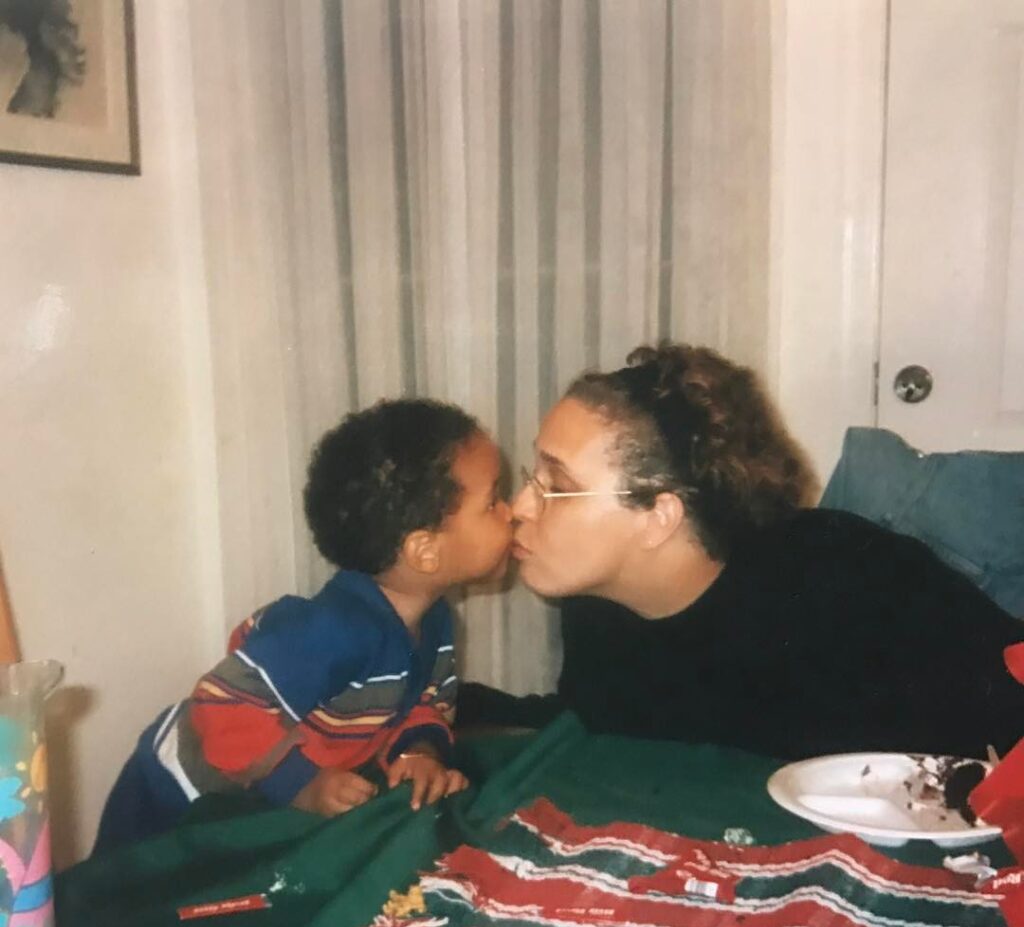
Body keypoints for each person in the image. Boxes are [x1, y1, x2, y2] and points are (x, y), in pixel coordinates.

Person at [461, 342, 1024, 760]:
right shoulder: (600, 603)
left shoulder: (851, 586)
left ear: (659, 517)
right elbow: (613, 722)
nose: (518, 506)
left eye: (553, 485)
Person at [95, 399, 513, 854]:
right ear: (424, 552)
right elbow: (222, 705)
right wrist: (303, 786)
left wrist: (418, 753)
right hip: (177, 794)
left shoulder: (433, 618)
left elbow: (427, 701)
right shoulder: (332, 630)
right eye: (492, 502)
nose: (511, 513)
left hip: (258, 801)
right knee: (126, 901)